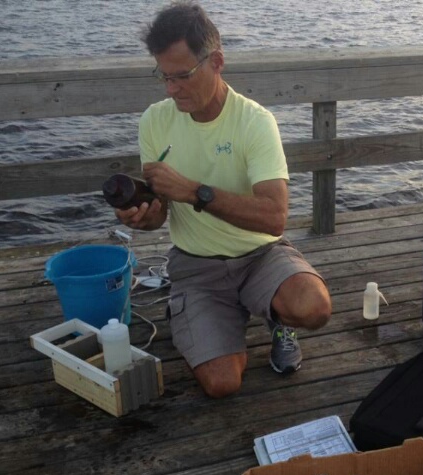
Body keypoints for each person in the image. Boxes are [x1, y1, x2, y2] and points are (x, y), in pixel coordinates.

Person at [116, 1, 332, 398]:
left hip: (260, 255)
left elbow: (275, 218)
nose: (171, 89)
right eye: (163, 76)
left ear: (216, 62)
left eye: (181, 75)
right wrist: (142, 216)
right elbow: (159, 215)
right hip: (195, 267)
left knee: (313, 306)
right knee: (222, 384)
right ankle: (207, 314)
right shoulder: (154, 121)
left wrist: (196, 192)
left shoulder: (255, 122)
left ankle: (275, 317)